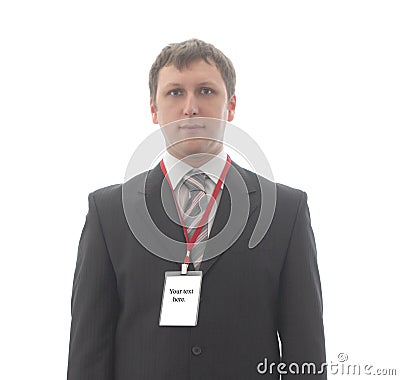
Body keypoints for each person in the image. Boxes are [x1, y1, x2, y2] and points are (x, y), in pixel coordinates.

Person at [67, 38, 327, 379]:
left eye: (206, 91)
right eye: (175, 92)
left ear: (230, 107)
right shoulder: (109, 212)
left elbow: (305, 349)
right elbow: (89, 350)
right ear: (153, 109)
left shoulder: (285, 211)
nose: (190, 107)